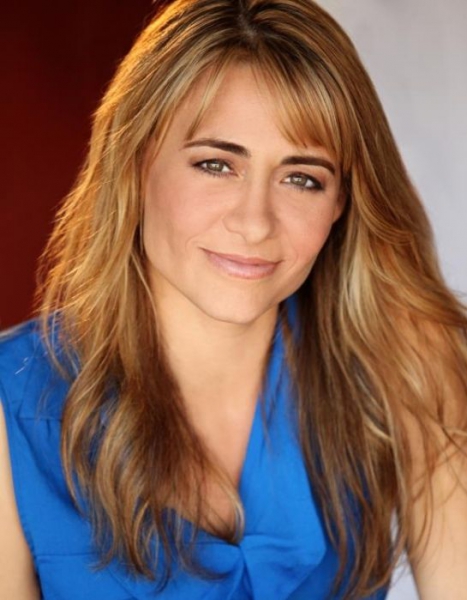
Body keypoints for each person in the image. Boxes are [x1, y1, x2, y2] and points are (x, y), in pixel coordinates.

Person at [1, 0, 466, 598]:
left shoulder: (408, 361)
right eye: (216, 164)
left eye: (302, 178)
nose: (255, 222)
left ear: (342, 203)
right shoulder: (11, 409)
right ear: (135, 164)